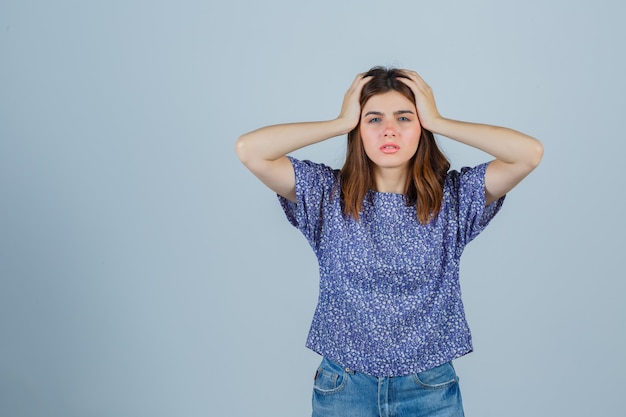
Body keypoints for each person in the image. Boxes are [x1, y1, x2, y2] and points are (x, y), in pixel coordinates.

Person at [235, 67, 543, 417]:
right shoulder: (325, 195)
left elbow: (528, 153)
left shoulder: (453, 200)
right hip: (344, 389)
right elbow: (250, 150)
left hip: (429, 390)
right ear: (358, 129)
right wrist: (339, 122)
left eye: (404, 118)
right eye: (374, 119)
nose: (389, 130)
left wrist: (439, 121)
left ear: (421, 127)